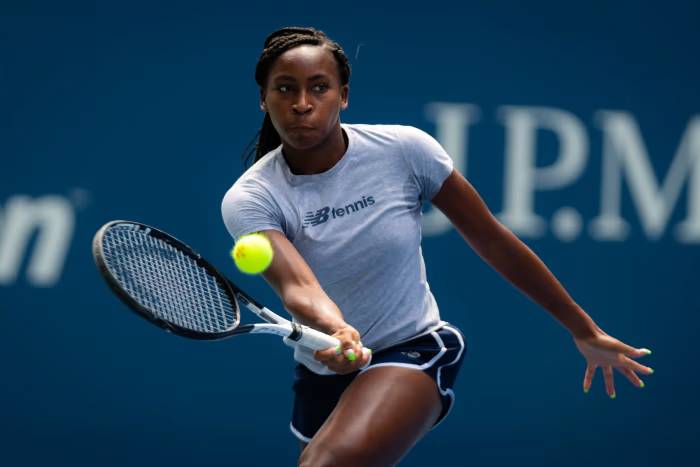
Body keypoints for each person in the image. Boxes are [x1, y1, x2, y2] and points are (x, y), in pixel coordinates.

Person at [221, 26, 654, 467]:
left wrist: (582, 328)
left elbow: (491, 239)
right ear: (264, 99)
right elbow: (299, 286)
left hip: (414, 348)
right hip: (321, 372)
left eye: (319, 87)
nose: (302, 103)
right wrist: (335, 327)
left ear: (343, 95)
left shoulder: (405, 151)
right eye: (285, 89)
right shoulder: (251, 199)